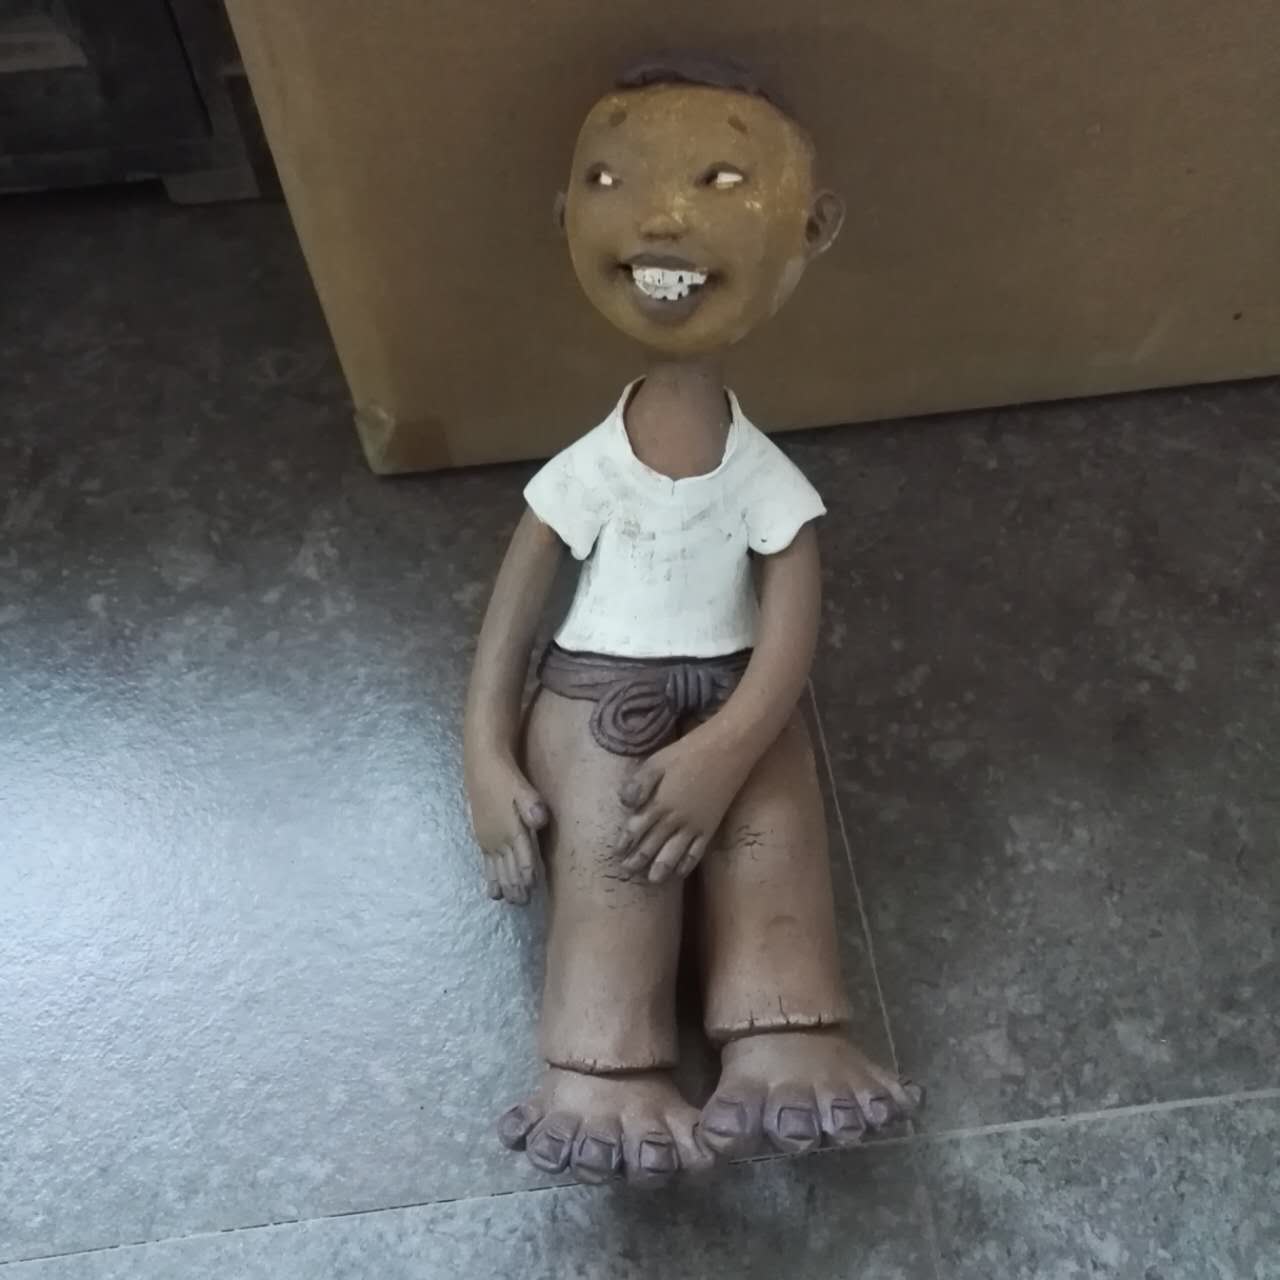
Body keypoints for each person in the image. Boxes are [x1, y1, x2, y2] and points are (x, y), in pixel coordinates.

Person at [463, 53, 921, 1188]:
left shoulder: (762, 477)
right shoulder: (586, 469)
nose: (660, 216)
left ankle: (786, 1031)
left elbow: (789, 634)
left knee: (773, 836)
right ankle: (600, 1065)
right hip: (592, 699)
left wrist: (726, 749)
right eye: (610, 180)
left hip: (739, 699)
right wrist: (484, 755)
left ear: (814, 228)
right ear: (563, 215)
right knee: (612, 858)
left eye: (721, 179)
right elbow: (513, 618)